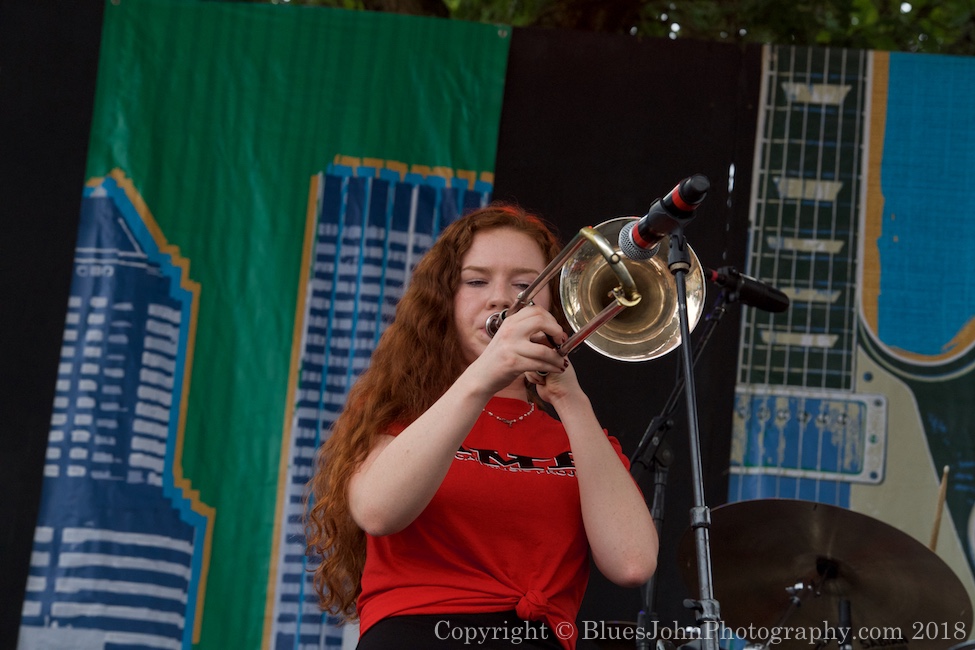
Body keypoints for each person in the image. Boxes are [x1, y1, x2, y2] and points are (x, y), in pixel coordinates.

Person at [306, 203, 658, 649]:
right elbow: (378, 512)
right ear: (444, 301)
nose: (502, 298)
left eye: (526, 285)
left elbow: (632, 563)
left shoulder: (578, 436)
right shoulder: (399, 418)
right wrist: (484, 375)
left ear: (553, 302)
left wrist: (572, 399)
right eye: (476, 281)